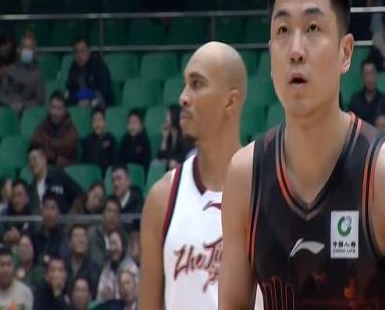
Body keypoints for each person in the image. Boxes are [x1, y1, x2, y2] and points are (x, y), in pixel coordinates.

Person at [218, 0, 385, 308]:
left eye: (313, 28)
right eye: (283, 30)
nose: (296, 49)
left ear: (346, 52)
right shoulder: (244, 178)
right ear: (270, 50)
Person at [139, 42, 259, 309]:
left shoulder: (269, 191)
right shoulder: (162, 199)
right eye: (185, 85)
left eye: (197, 84)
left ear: (230, 100)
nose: (183, 97)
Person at [30, 91, 79, 168]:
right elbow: (35, 142)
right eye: (53, 107)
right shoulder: (43, 125)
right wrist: (53, 150)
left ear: (65, 110)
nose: (55, 112)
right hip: (44, 167)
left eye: (59, 108)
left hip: (64, 169)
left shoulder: (71, 129)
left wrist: (48, 144)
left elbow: (66, 148)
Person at [0, 31, 45, 113]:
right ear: (20, 49)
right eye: (24, 47)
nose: (26, 50)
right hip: (9, 111)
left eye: (29, 48)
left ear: (34, 50)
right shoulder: (10, 68)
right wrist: (10, 103)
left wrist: (23, 105)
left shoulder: (38, 73)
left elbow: (40, 100)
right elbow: (2, 93)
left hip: (28, 113)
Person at [28, 146, 83, 213]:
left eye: (34, 159)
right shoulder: (30, 189)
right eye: (30, 160)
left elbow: (79, 195)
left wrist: (71, 216)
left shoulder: (59, 177)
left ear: (44, 160)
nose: (32, 163)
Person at [66, 37, 113, 108]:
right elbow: (70, 92)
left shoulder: (99, 66)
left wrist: (91, 103)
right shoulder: (73, 68)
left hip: (100, 107)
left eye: (82, 51)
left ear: (89, 51)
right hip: (79, 106)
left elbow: (104, 92)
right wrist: (77, 102)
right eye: (76, 52)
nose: (79, 55)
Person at [348, 57, 385, 125]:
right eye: (366, 74)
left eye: (372, 73)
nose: (370, 78)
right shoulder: (355, 100)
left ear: (377, 75)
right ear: (362, 76)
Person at [97, 229, 138, 302]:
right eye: (110, 244)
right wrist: (104, 294)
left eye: (115, 244)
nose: (113, 248)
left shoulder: (132, 268)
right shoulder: (107, 269)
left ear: (123, 245)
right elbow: (100, 294)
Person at [31, 192, 69, 265]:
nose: (49, 213)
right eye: (46, 208)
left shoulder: (62, 237)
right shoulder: (35, 236)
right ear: (42, 211)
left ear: (58, 213)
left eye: (52, 208)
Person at [65, 224, 100, 298]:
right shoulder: (62, 265)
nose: (80, 240)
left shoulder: (94, 268)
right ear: (69, 243)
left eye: (83, 236)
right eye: (76, 236)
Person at [88, 196, 123, 270]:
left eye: (115, 212)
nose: (112, 216)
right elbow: (96, 263)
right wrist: (112, 252)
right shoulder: (94, 234)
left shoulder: (124, 237)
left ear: (119, 217)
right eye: (109, 211)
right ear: (103, 215)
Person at [81, 107, 117, 173]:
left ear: (105, 122)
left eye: (100, 120)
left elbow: (114, 162)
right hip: (91, 174)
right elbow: (83, 163)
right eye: (94, 120)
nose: (97, 124)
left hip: (107, 175)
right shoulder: (87, 140)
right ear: (91, 123)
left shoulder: (111, 139)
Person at [0, 179, 33, 246]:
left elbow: (35, 234)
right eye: (14, 195)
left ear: (27, 198)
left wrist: (20, 236)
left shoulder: (33, 214)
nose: (16, 200)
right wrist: (4, 237)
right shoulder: (5, 213)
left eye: (20, 195)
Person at [157, 104, 190, 169]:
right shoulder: (169, 135)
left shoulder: (183, 134)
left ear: (174, 116)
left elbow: (186, 154)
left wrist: (174, 160)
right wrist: (164, 139)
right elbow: (161, 157)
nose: (165, 118)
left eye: (168, 115)